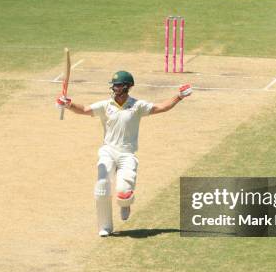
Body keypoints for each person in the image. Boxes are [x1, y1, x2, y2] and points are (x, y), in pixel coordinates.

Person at [56, 71, 192, 236]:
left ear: (128, 87)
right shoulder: (106, 105)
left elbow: (160, 107)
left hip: (127, 154)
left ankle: (125, 202)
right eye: (114, 85)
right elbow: (84, 109)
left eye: (119, 85)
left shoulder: (137, 106)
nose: (115, 88)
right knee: (102, 185)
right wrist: (68, 104)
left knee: (124, 191)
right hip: (108, 151)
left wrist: (179, 96)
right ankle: (105, 227)